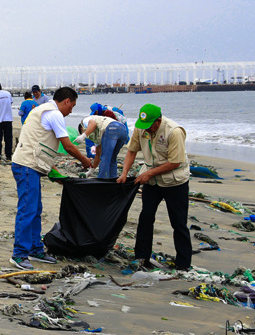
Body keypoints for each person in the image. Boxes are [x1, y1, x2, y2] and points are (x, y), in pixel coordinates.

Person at [9, 87, 94, 269]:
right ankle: (19, 254)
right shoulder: (54, 114)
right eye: (72, 105)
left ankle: (34, 249)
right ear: (67, 101)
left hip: (30, 164)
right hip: (26, 166)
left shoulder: (42, 110)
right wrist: (85, 160)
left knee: (36, 209)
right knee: (27, 210)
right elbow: (69, 147)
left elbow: (40, 143)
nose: (71, 110)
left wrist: (54, 172)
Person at [118, 103, 192, 271]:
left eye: (150, 125)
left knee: (178, 222)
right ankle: (141, 257)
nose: (147, 129)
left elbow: (174, 162)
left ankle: (183, 263)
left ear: (158, 121)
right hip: (152, 181)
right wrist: (124, 173)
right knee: (146, 217)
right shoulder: (141, 128)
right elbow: (131, 151)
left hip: (175, 182)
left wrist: (149, 174)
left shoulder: (174, 132)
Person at [79, 112, 130, 179]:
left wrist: (83, 136)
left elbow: (93, 124)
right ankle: (113, 181)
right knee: (112, 158)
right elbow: (98, 155)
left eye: (83, 131)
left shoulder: (84, 121)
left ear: (81, 128)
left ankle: (101, 180)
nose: (87, 134)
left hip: (111, 128)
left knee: (105, 157)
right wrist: (91, 171)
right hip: (123, 130)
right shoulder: (98, 135)